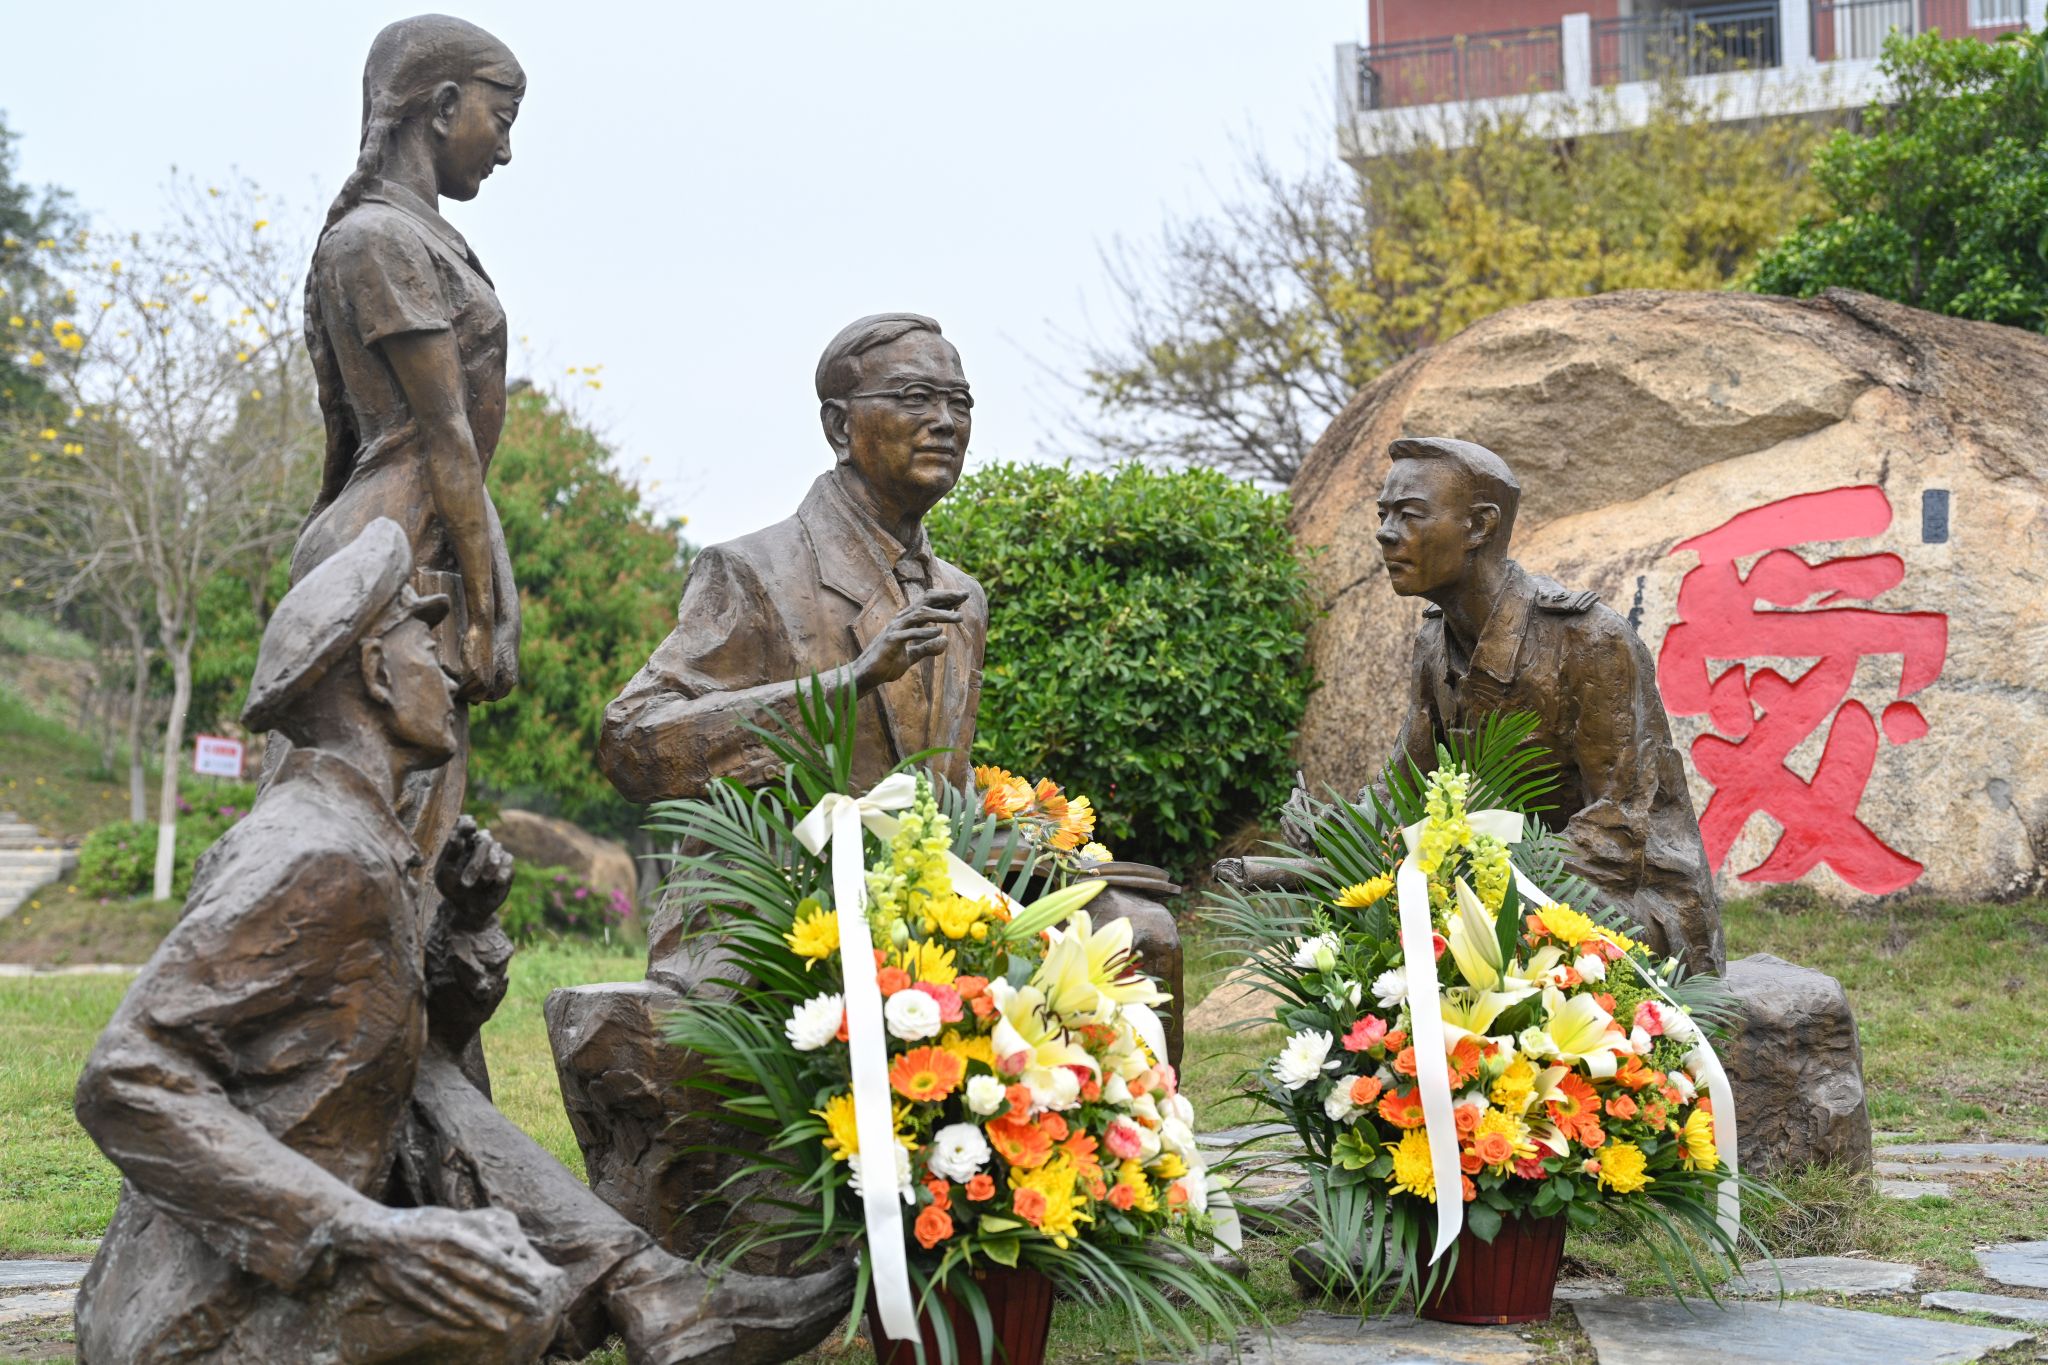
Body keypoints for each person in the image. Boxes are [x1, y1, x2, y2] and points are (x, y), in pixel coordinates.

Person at [72, 520, 849, 1365]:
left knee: (439, 1106)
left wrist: (465, 925)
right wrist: (359, 1230)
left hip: (272, 1263)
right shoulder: (313, 852)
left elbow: (383, 1055)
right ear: (376, 673)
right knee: (505, 1298)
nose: (447, 670)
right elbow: (126, 1077)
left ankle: (653, 1292)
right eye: (422, 641)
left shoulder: (356, 838)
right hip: (208, 1313)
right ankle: (650, 1294)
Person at [1316, 436, 1725, 974]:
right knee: (1353, 909)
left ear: (1480, 527)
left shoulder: (1587, 639)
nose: (1386, 533)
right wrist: (1334, 832)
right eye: (1383, 514)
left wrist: (1480, 875)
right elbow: (1406, 788)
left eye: (1410, 515)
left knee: (1471, 924)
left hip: (1626, 898)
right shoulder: (1434, 641)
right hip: (1498, 878)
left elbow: (1618, 830)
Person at [292, 14, 526, 868]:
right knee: (364, 834)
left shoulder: (416, 236)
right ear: (445, 106)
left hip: (415, 543)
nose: (506, 151)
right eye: (502, 120)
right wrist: (483, 605)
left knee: (410, 838)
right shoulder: (378, 240)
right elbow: (444, 436)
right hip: (393, 554)